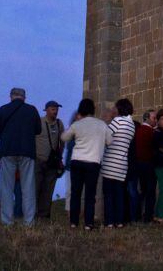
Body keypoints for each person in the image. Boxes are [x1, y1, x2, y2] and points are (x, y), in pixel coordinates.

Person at [0, 87, 42, 226]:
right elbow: (38, 130)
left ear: (11, 97)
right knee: (28, 187)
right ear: (24, 97)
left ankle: (7, 222)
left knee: (7, 188)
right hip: (27, 152)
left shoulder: (3, 109)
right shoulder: (32, 110)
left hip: (7, 151)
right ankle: (29, 222)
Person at [61, 98, 112, 230]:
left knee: (76, 193)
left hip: (77, 161)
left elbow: (64, 137)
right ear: (93, 110)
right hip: (93, 162)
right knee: (90, 194)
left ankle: (73, 222)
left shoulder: (77, 124)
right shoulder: (101, 124)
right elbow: (110, 141)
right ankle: (88, 223)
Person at [101, 98, 136, 228]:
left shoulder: (117, 121)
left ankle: (109, 222)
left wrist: (108, 120)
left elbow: (106, 136)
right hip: (122, 164)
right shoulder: (131, 125)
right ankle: (120, 221)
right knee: (120, 195)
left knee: (109, 195)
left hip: (111, 163)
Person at [35, 100, 64, 219]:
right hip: (38, 160)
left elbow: (62, 142)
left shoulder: (59, 124)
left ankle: (44, 216)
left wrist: (60, 158)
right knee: (35, 189)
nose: (55, 111)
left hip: (52, 163)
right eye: (53, 109)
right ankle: (32, 215)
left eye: (56, 109)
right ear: (46, 110)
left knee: (48, 191)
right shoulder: (39, 122)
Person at [135, 109, 157, 222]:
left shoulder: (138, 130)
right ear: (147, 118)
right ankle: (148, 216)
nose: (155, 121)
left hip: (139, 164)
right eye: (154, 118)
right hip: (148, 164)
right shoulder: (150, 132)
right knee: (150, 191)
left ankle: (138, 215)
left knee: (142, 191)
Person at [124, 119, 141, 223]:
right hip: (132, 169)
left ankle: (131, 217)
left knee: (131, 192)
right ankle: (133, 217)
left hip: (129, 169)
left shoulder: (130, 141)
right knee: (132, 192)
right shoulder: (135, 141)